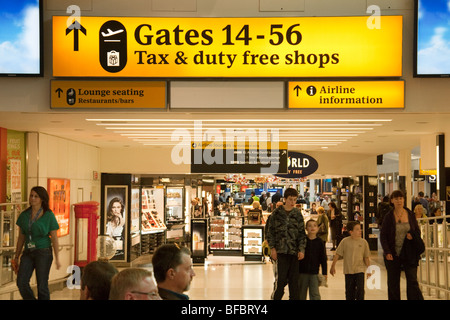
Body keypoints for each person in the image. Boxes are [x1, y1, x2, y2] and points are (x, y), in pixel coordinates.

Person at [14, 186, 60, 300]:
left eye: (36, 196)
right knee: (21, 282)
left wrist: (57, 258)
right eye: (31, 195)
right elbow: (21, 237)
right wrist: (16, 256)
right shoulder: (24, 215)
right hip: (28, 252)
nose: (33, 198)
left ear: (42, 199)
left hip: (43, 252)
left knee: (42, 286)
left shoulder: (48, 215)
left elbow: (54, 237)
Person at [380, 190, 424, 300]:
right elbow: (383, 235)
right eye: (396, 199)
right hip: (393, 254)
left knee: (412, 281)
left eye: (401, 198)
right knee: (393, 283)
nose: (399, 201)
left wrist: (412, 236)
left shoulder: (410, 214)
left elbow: (417, 231)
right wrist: (387, 251)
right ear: (392, 201)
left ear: (404, 199)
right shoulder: (389, 217)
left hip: (409, 253)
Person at [266, 188, 306, 300]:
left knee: (294, 283)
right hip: (280, 252)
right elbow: (270, 232)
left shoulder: (297, 214)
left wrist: (301, 249)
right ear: (285, 199)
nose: (292, 202)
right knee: (280, 281)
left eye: (294, 200)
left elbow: (302, 233)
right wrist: (272, 249)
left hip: (294, 253)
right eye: (290, 199)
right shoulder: (276, 213)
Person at [330, 221, 370, 300]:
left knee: (360, 290)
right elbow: (337, 254)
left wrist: (369, 269)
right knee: (349, 291)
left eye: (360, 229)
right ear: (351, 232)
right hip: (348, 271)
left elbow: (366, 257)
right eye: (357, 229)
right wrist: (332, 266)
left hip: (360, 270)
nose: (360, 231)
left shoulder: (364, 242)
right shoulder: (345, 241)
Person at [298, 219, 327, 300]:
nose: (312, 228)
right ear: (306, 228)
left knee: (315, 294)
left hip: (314, 272)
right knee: (301, 294)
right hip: (302, 272)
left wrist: (325, 273)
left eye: (314, 225)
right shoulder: (302, 241)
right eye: (309, 226)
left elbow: (323, 258)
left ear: (318, 228)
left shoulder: (320, 242)